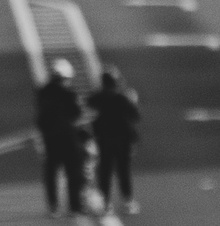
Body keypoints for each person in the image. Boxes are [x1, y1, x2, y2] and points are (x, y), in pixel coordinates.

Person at [36, 62, 91, 217]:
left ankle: (53, 207)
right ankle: (75, 207)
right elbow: (76, 113)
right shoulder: (69, 94)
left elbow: (41, 116)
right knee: (74, 171)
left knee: (51, 172)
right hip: (68, 137)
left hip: (50, 138)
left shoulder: (43, 92)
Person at [87, 71, 143, 216]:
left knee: (104, 171)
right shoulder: (122, 98)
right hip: (122, 140)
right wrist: (133, 101)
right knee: (123, 171)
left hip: (104, 139)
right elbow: (135, 116)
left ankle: (105, 204)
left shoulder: (97, 98)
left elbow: (88, 108)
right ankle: (128, 201)